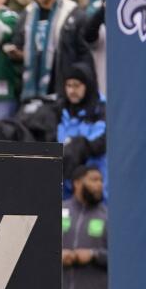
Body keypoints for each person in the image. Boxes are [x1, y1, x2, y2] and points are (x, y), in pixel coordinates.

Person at [58, 64, 107, 199]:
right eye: (69, 85)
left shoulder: (100, 109)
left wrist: (76, 146)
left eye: (77, 85)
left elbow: (99, 143)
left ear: (87, 85)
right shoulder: (61, 110)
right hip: (66, 188)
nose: (72, 90)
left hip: (93, 182)